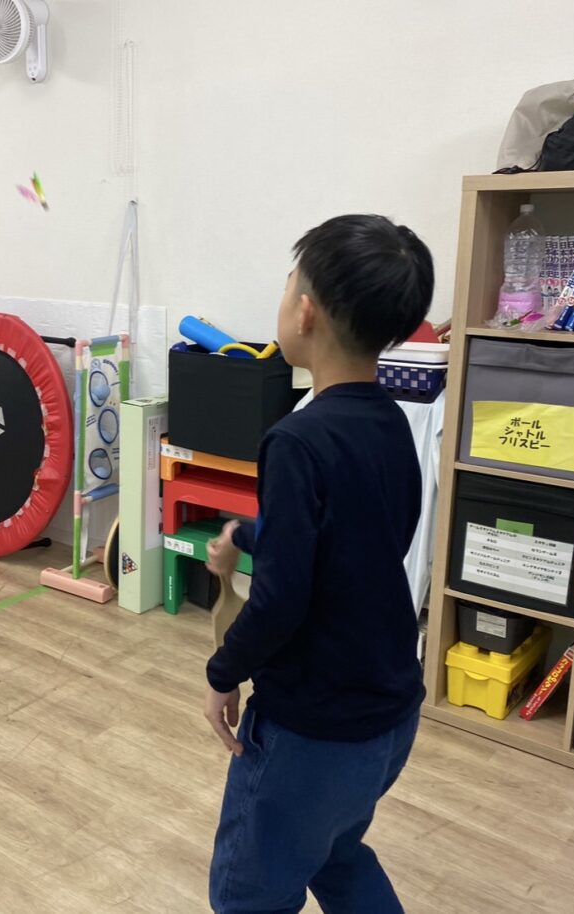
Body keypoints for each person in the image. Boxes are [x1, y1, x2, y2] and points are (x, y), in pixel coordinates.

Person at [203, 214, 434, 914]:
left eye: (286, 286)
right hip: (390, 715)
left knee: (246, 895)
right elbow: (359, 541)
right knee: (333, 853)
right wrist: (248, 535)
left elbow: (281, 601)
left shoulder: (296, 440)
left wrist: (222, 673)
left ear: (305, 311)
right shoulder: (391, 422)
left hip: (312, 734)